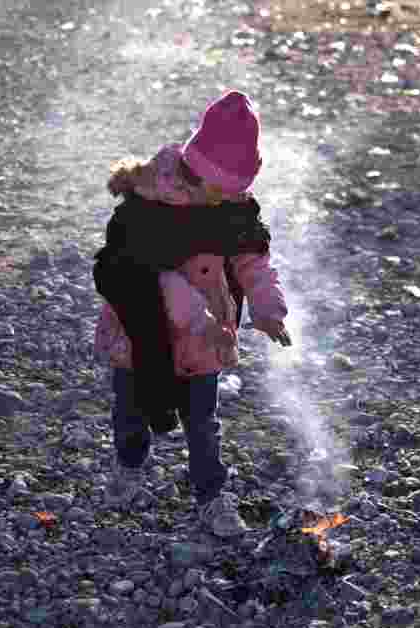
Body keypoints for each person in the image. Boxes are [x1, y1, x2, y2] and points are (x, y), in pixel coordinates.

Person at [92, 90, 291, 538]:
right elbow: (155, 283)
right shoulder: (148, 209)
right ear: (200, 171)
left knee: (202, 425)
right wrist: (205, 323)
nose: (232, 198)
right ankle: (129, 465)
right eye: (225, 187)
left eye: (240, 189)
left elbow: (252, 261)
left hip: (204, 345)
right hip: (140, 337)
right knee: (130, 411)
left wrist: (267, 306)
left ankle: (210, 495)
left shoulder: (229, 207)